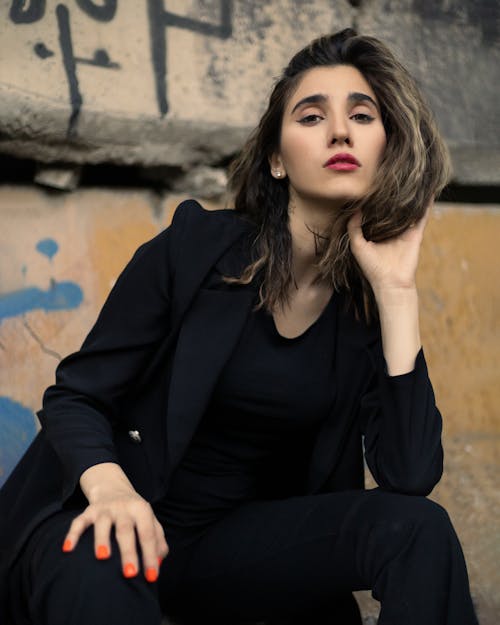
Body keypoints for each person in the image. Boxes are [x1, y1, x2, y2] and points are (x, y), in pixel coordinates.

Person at [0, 28, 479, 625]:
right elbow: (77, 397)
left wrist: (398, 293)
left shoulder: (367, 307)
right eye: (311, 116)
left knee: (419, 530)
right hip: (118, 517)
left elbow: (410, 476)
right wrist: (112, 490)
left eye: (362, 115)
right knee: (98, 564)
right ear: (277, 160)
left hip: (228, 554)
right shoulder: (193, 248)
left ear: (388, 148)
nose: (339, 131)